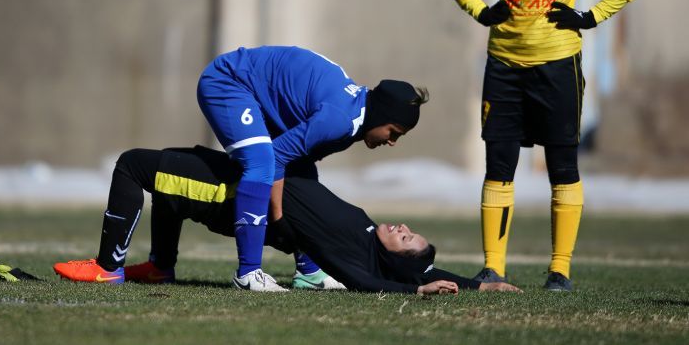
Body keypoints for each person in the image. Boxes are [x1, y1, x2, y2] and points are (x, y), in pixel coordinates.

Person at [56, 45, 429, 292]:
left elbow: (299, 164)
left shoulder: (353, 116)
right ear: (382, 117)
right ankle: (249, 272)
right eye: (394, 132)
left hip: (256, 95)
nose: (392, 141)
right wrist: (278, 218)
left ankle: (307, 271)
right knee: (263, 163)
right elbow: (278, 157)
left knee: (296, 172)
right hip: (228, 83)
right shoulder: (340, 120)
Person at [440, 0, 648, 291]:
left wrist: (590, 16)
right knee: (499, 164)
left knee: (562, 165)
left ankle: (560, 270)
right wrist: (481, 11)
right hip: (504, 64)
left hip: (558, 65)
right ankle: (493, 267)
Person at [54, 145, 521, 294]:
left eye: (406, 239)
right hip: (251, 178)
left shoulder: (353, 256)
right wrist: (481, 285)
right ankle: (161, 266)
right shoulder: (366, 231)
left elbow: (369, 281)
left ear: (393, 258)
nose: (403, 228)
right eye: (410, 230)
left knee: (134, 165)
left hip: (233, 196)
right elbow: (423, 266)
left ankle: (108, 268)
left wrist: (415, 291)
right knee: (171, 175)